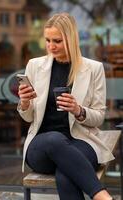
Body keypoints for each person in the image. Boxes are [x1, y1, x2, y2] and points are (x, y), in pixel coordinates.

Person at [17, 13, 115, 200]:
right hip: (42, 145)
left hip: (81, 142)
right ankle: (102, 196)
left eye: (57, 41)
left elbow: (99, 116)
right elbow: (28, 118)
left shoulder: (93, 69)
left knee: (66, 174)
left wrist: (79, 110)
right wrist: (24, 103)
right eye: (47, 40)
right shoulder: (34, 66)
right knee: (54, 139)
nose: (51, 46)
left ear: (71, 39)